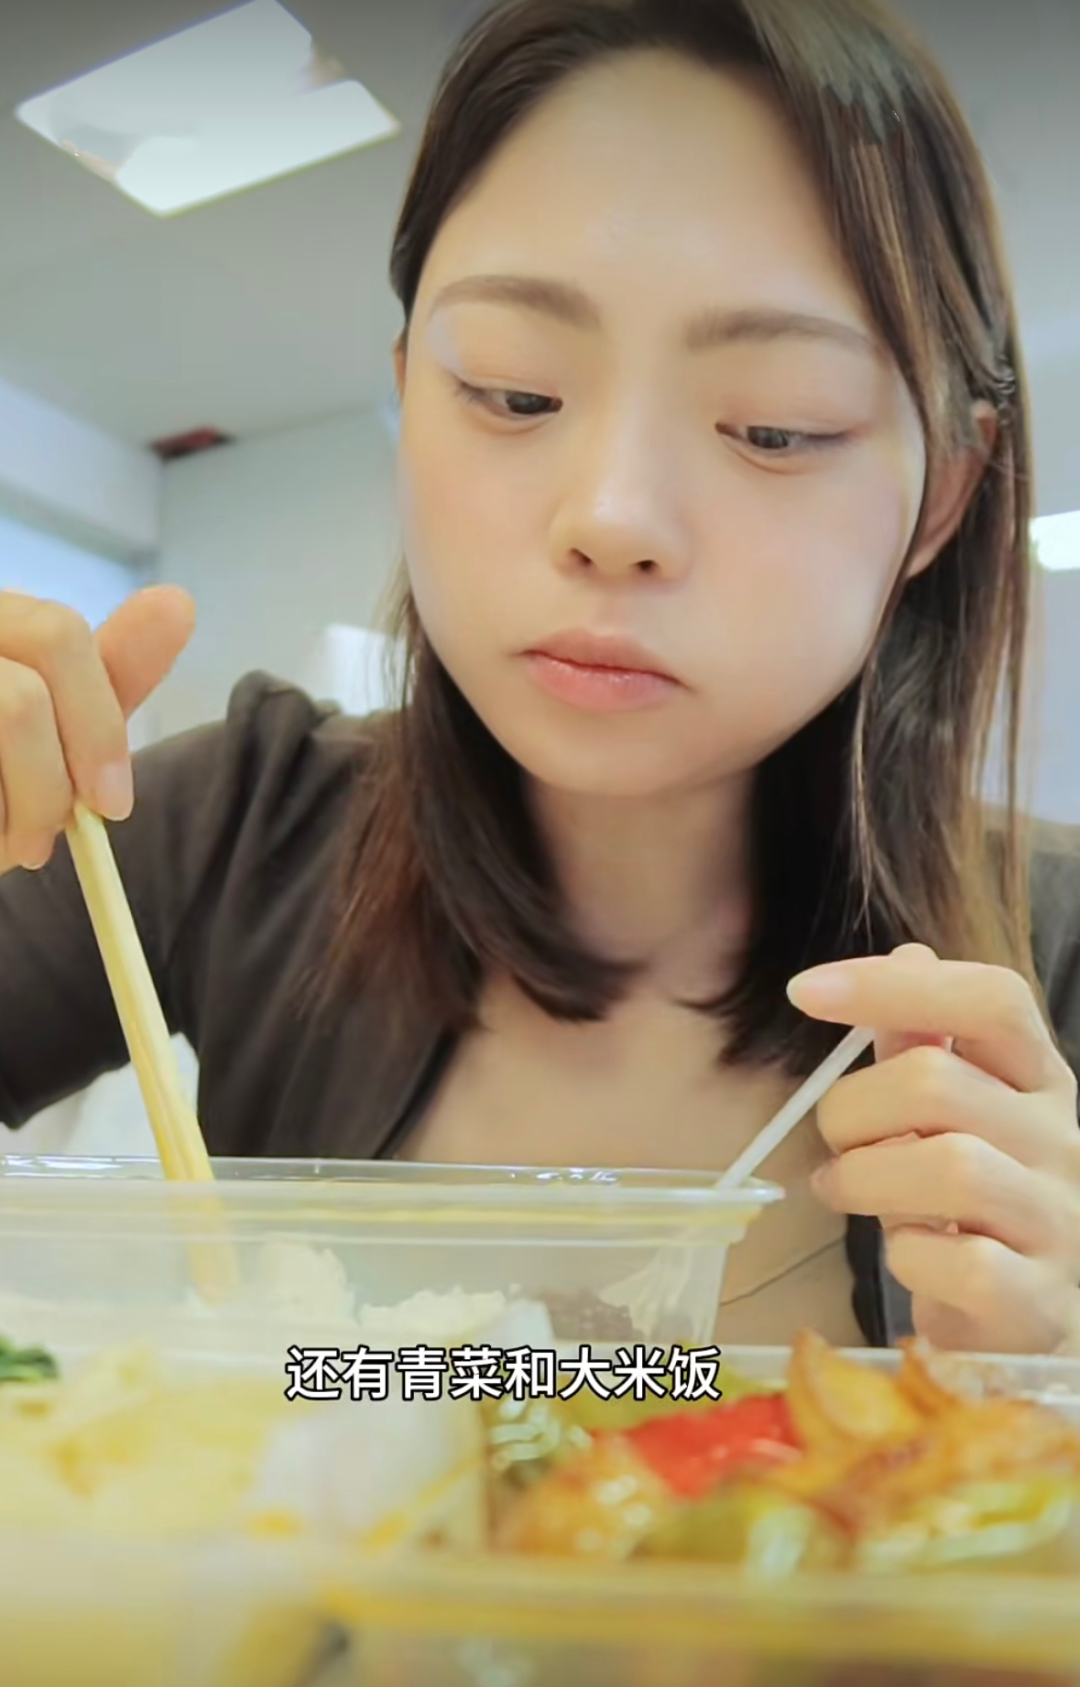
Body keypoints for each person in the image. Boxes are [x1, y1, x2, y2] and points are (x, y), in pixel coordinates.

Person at [1, 0, 1079, 1356]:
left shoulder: (1054, 952)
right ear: (410, 392)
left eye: (774, 426)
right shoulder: (233, 821)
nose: (611, 517)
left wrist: (1045, 1396)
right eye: (514, 395)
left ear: (945, 496)